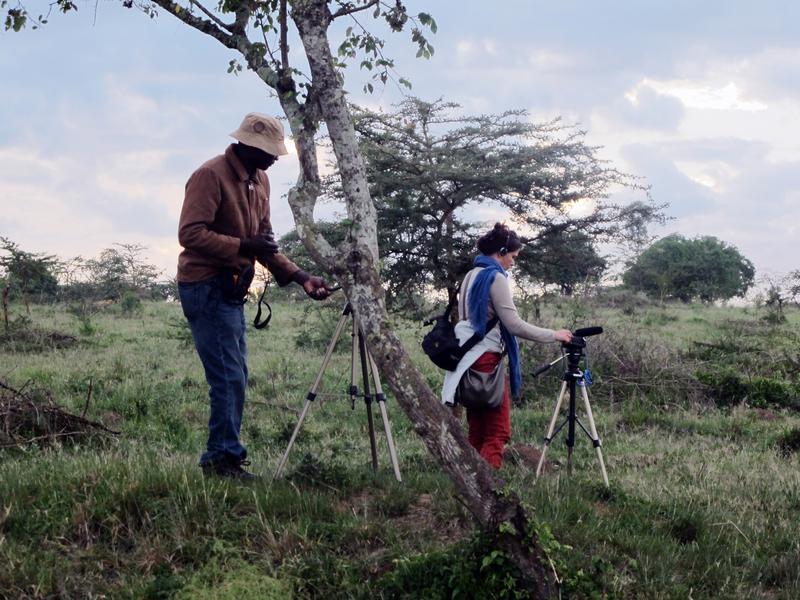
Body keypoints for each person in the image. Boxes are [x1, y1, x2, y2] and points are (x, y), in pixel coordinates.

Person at [177, 112, 333, 480]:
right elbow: (190, 234)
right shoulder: (209, 176)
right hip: (205, 285)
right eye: (268, 152)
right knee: (229, 376)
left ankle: (224, 456)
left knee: (235, 373)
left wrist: (299, 277)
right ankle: (221, 460)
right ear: (246, 146)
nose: (275, 158)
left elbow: (265, 243)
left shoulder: (259, 179)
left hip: (231, 287)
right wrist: (243, 244)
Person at [441, 223, 572, 469]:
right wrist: (554, 334)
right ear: (501, 252)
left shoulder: (471, 275)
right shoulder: (495, 277)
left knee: (477, 430)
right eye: (512, 257)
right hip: (487, 360)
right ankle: (489, 493)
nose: (513, 263)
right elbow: (514, 325)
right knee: (498, 432)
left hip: (466, 360)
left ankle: (470, 483)